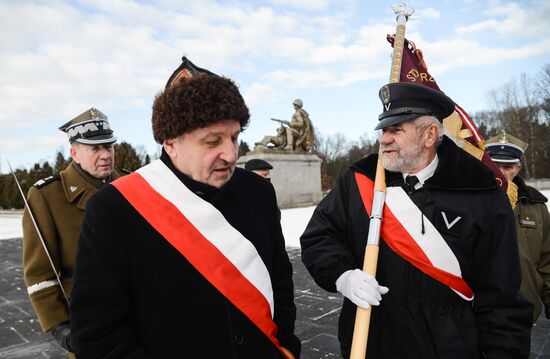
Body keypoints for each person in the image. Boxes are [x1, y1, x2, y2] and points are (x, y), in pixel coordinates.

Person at [70, 60, 301, 358]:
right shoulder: (114, 208)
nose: (231, 154)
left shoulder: (257, 191)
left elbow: (280, 282)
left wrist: (285, 347)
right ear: (170, 142)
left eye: (234, 137)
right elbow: (99, 335)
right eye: (212, 141)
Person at [300, 82, 532, 358]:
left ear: (430, 134)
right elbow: (319, 236)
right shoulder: (359, 179)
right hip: (370, 346)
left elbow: (502, 302)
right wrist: (342, 274)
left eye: (396, 130)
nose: (383, 139)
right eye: (383, 130)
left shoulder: (481, 193)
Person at [22, 107, 120, 358]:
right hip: (89, 319)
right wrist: (59, 326)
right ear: (74, 153)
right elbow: (39, 274)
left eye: (109, 146)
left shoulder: (131, 186)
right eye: (95, 148)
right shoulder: (46, 196)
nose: (106, 154)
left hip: (137, 315)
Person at [486, 132, 550, 324]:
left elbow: (547, 258)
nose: (501, 173)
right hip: (478, 311)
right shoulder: (468, 202)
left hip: (523, 310)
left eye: (507, 166)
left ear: (518, 168)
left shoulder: (536, 206)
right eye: (495, 166)